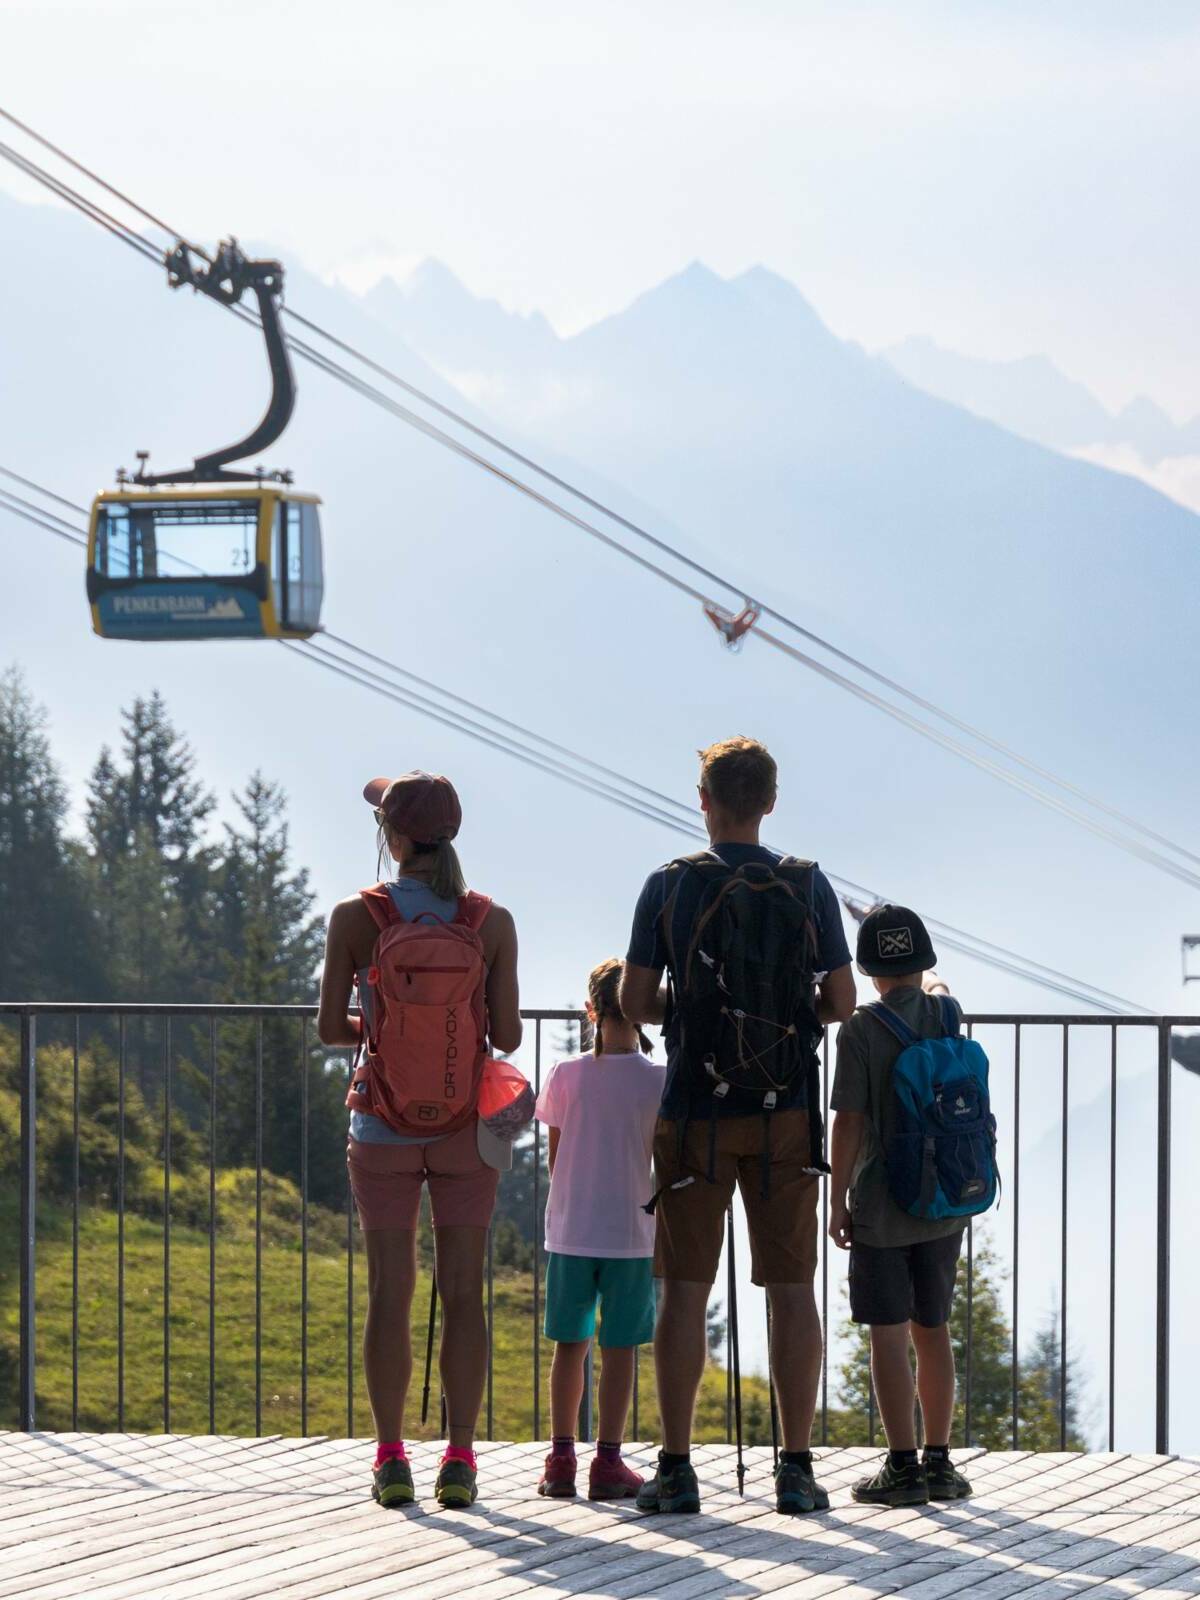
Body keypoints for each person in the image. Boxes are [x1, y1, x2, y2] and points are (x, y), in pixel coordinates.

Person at [620, 736, 855, 1515]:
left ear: (704, 800)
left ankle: (679, 1469)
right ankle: (795, 1468)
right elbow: (844, 1001)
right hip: (786, 1110)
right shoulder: (809, 884)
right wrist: (798, 1023)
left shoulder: (669, 885)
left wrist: (680, 1016)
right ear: (771, 803)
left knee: (683, 1290)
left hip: (695, 1113)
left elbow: (633, 1000)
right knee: (792, 1289)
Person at [317, 771, 521, 1510]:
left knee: (390, 1291)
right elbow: (506, 1034)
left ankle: (392, 1456)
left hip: (381, 1125)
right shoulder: (488, 921)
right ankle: (461, 1459)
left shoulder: (355, 916)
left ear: (395, 840)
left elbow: (329, 1028)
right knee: (464, 1292)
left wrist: (381, 1028)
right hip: (467, 1126)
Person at [828, 903, 973, 1506]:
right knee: (932, 1327)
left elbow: (850, 1122)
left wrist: (836, 1199)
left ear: (867, 971)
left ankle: (902, 1467)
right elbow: (938, 986)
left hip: (884, 1202)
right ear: (923, 963)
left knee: (887, 1335)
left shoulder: (862, 1029)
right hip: (945, 1199)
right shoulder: (946, 1011)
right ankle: (941, 1463)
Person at [534, 959, 663, 1500]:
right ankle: (608, 1462)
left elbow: (554, 1158)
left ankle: (561, 1458)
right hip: (631, 1232)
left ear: (590, 1010)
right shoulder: (659, 1079)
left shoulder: (566, 1075)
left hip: (571, 1228)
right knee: (621, 1347)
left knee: (570, 1344)